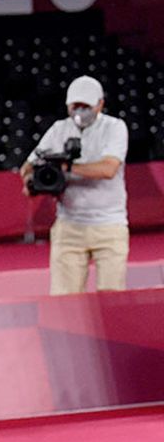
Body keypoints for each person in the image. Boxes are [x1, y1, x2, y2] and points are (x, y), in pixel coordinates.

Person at [19, 75, 130, 295]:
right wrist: (33, 181)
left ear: (100, 104)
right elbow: (27, 167)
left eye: (85, 106)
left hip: (109, 226)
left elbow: (108, 169)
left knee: (112, 298)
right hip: (69, 227)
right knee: (64, 300)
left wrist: (66, 169)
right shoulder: (59, 130)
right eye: (75, 105)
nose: (80, 111)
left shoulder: (115, 128)